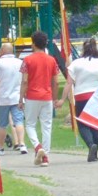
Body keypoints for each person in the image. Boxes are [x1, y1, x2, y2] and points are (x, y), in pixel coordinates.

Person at [21, 30, 62, 166]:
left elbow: (25, 81)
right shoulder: (51, 60)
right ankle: (46, 156)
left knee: (30, 124)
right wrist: (55, 98)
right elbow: (55, 81)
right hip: (47, 96)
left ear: (33, 44)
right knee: (46, 126)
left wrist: (21, 98)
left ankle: (38, 147)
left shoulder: (27, 60)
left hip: (32, 96)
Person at [68, 37, 98, 161]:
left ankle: (90, 144)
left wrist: (62, 99)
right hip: (97, 96)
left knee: (82, 124)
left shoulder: (76, 63)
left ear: (83, 49)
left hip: (81, 96)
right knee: (95, 125)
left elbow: (69, 83)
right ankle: (95, 153)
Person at [0, 43, 27, 154]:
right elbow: (24, 79)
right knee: (18, 121)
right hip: (17, 97)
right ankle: (22, 144)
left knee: (2, 123)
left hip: (3, 98)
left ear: (3, 51)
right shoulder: (20, 62)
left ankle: (0, 147)